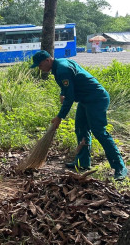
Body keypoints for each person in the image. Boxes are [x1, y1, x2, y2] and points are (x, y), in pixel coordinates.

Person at [30, 50, 128, 180]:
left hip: (96, 99)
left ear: (48, 60)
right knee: (81, 128)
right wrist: (62, 93)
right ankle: (82, 162)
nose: (39, 68)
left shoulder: (62, 69)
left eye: (40, 65)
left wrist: (59, 117)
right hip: (85, 99)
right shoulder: (60, 65)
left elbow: (69, 98)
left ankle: (120, 167)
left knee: (99, 131)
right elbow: (70, 86)